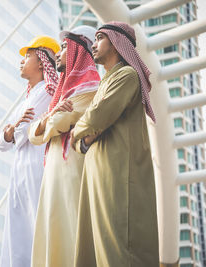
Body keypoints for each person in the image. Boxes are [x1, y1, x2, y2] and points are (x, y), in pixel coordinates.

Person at [71, 21, 159, 267]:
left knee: (119, 250)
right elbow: (85, 132)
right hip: (101, 176)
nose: (94, 45)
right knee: (98, 251)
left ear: (117, 43)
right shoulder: (107, 82)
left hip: (119, 178)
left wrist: (80, 132)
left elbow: (96, 116)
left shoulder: (127, 75)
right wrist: (83, 137)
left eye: (99, 38)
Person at [28, 26, 100, 267]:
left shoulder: (90, 89)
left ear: (81, 51)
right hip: (54, 172)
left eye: (66, 47)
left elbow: (56, 123)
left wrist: (48, 120)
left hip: (73, 170)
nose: (59, 53)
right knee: (52, 236)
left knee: (72, 235)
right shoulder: (63, 95)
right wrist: (51, 118)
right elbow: (34, 135)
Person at [0, 35, 60, 267]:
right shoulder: (27, 100)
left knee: (35, 228)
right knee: (16, 232)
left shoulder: (48, 92)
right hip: (19, 171)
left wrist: (13, 130)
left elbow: (22, 134)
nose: (21, 61)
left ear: (43, 62)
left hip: (37, 169)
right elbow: (2, 142)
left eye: (28, 56)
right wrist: (13, 130)